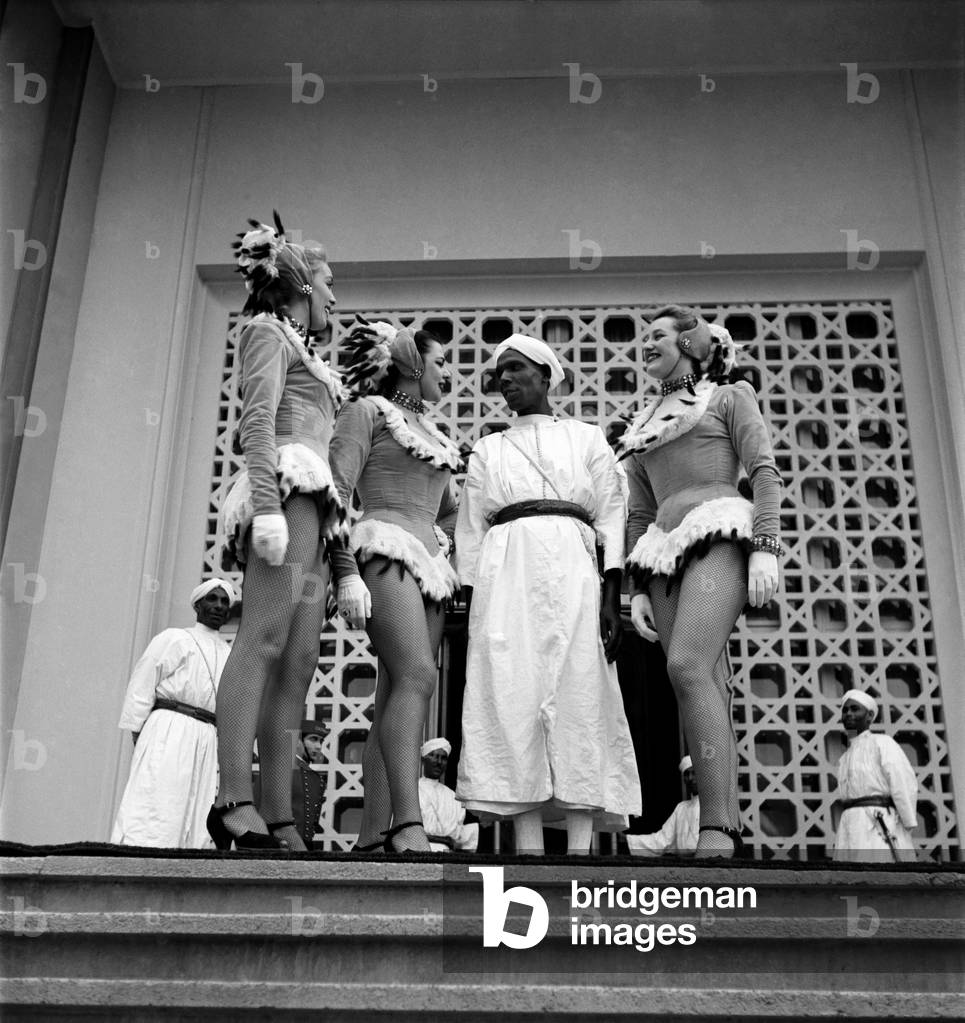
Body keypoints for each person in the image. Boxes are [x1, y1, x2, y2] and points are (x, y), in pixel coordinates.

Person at [455, 333, 641, 855]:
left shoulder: (586, 438)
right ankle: (529, 847)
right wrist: (473, 600)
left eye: (516, 369)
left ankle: (580, 848)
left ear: (545, 373)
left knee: (581, 692)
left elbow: (611, 515)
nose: (505, 381)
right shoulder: (490, 447)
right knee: (513, 692)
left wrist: (612, 594)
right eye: (499, 374)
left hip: (574, 568)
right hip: (505, 572)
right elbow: (470, 530)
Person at [620, 306, 782, 858]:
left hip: (720, 530)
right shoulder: (642, 422)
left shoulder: (729, 397)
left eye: (659, 336)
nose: (647, 344)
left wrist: (765, 548)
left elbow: (763, 471)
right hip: (662, 554)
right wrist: (635, 587)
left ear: (690, 344)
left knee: (686, 664)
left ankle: (716, 825)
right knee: (700, 677)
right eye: (644, 337)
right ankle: (723, 821)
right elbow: (638, 511)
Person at [211, 213, 346, 851]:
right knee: (261, 642)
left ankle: (280, 812)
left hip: (315, 508)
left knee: (297, 664)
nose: (334, 296)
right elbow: (256, 422)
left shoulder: (306, 350)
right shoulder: (267, 332)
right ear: (300, 283)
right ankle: (232, 797)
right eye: (327, 281)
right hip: (284, 491)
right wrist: (266, 505)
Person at [329, 320, 463, 853]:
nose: (448, 373)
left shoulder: (435, 436)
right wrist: (343, 570)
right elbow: (335, 491)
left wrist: (442, 545)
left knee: (396, 693)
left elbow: (450, 511)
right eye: (439, 363)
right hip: (380, 546)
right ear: (410, 363)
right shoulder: (366, 412)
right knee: (417, 675)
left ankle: (370, 836)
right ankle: (408, 822)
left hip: (429, 566)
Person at [111, 579, 236, 848]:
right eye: (212, 599)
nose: (218, 606)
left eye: (224, 601)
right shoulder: (174, 638)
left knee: (198, 809)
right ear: (198, 605)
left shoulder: (230, 653)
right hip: (170, 728)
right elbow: (143, 682)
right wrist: (140, 731)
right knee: (160, 796)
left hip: (208, 736)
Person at [833, 689, 918, 862]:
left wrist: (906, 822)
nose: (848, 713)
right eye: (845, 710)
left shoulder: (882, 743)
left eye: (855, 709)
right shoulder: (844, 758)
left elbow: (901, 781)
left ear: (870, 716)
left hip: (877, 821)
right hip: (849, 824)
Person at [627, 755, 699, 857]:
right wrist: (629, 841)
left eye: (694, 773)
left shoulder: (716, 805)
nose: (690, 778)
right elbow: (662, 840)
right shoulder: (681, 808)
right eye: (686, 774)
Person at [418, 738, 479, 853]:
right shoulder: (412, 791)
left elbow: (464, 840)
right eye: (433, 756)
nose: (438, 762)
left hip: (447, 855)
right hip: (417, 852)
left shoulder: (454, 797)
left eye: (443, 758)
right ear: (423, 760)